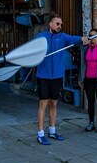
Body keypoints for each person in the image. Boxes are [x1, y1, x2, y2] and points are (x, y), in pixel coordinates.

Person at [34, 12, 87, 145]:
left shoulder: (63, 37)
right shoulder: (41, 37)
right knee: (43, 104)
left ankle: (52, 131)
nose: (59, 26)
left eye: (61, 24)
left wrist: (83, 39)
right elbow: (32, 51)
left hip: (57, 76)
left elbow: (75, 39)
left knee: (54, 103)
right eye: (57, 24)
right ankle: (40, 134)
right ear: (50, 24)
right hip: (43, 76)